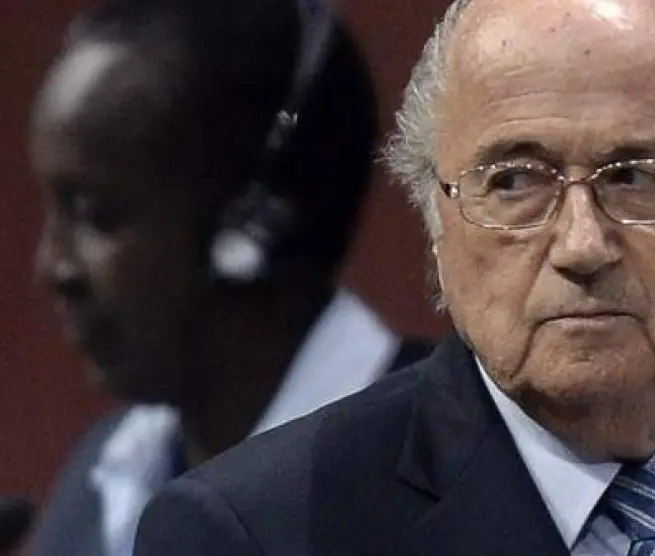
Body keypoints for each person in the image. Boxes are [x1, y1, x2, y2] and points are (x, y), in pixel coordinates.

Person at [133, 0, 655, 554]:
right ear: (437, 222)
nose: (582, 245)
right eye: (514, 181)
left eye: (638, 176)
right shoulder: (257, 535)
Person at [26, 0, 432, 554]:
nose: (53, 267)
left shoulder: (456, 472)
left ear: (255, 226)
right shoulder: (101, 479)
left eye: (96, 214)